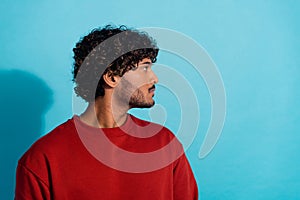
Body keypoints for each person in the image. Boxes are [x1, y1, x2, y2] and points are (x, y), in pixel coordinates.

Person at [15, 25, 198, 200]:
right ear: (111, 77)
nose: (154, 78)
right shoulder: (42, 159)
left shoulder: (165, 143)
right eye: (144, 68)